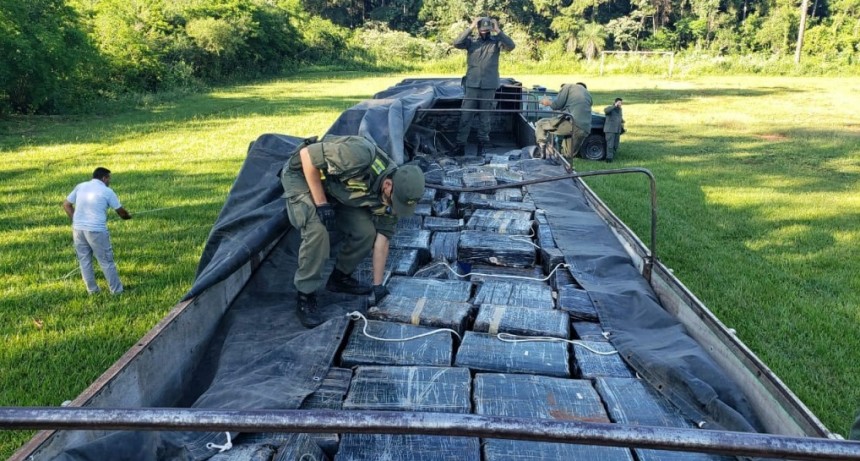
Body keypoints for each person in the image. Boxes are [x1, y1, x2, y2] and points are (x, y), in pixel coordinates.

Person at [280, 135, 425, 327]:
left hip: (336, 188)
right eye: (394, 201)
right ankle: (305, 295)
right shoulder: (360, 155)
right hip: (302, 174)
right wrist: (321, 204)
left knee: (366, 233)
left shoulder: (395, 196)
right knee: (318, 231)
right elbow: (307, 156)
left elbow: (382, 240)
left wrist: (378, 286)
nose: (393, 206)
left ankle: (339, 278)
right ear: (388, 185)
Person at [62, 167, 132, 295]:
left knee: (84, 261)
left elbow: (66, 204)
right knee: (106, 261)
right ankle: (117, 291)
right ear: (104, 178)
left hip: (78, 230)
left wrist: (76, 219)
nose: (109, 181)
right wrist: (128, 216)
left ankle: (92, 290)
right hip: (96, 231)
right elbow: (121, 212)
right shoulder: (107, 191)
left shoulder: (81, 186)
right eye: (109, 178)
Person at [452, 16, 515, 156]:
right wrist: (471, 26)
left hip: (489, 86)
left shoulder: (496, 42)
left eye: (487, 30)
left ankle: (483, 145)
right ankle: (460, 145)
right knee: (466, 116)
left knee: (485, 118)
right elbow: (456, 43)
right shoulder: (471, 41)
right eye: (482, 30)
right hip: (472, 85)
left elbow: (511, 46)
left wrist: (498, 30)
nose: (485, 32)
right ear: (478, 29)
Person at [535, 82, 592, 159]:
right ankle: (565, 162)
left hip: (574, 124)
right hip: (585, 129)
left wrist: (547, 102)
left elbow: (556, 105)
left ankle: (542, 151)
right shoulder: (587, 94)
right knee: (568, 156)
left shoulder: (567, 87)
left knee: (541, 124)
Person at [603, 97, 625, 163]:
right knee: (610, 145)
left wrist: (622, 121)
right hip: (610, 130)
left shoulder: (620, 109)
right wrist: (614, 106)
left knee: (615, 145)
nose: (620, 104)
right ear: (615, 102)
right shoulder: (611, 108)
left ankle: (612, 156)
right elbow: (606, 111)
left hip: (617, 130)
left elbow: (619, 117)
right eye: (619, 102)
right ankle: (609, 159)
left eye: (621, 103)